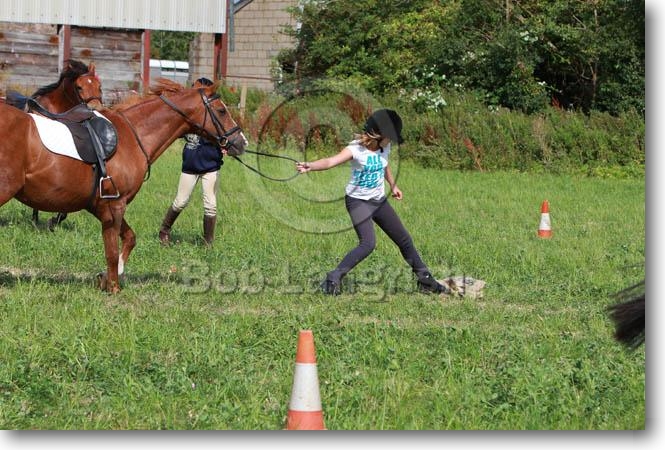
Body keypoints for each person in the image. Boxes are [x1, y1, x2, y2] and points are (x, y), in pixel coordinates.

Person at [296, 109, 450, 296]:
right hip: (358, 202)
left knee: (404, 240)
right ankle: (332, 278)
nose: (392, 141)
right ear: (378, 135)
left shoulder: (385, 147)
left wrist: (393, 185)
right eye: (390, 137)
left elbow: (384, 166)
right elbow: (330, 162)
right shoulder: (355, 149)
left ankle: (426, 281)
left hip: (378, 201)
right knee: (367, 244)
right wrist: (310, 166)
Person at [158, 77, 226, 247]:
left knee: (210, 205)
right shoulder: (190, 116)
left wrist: (225, 146)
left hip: (210, 166)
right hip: (190, 166)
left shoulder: (213, 115)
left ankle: (208, 242)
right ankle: (164, 230)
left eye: (199, 90)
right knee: (180, 201)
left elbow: (225, 133)